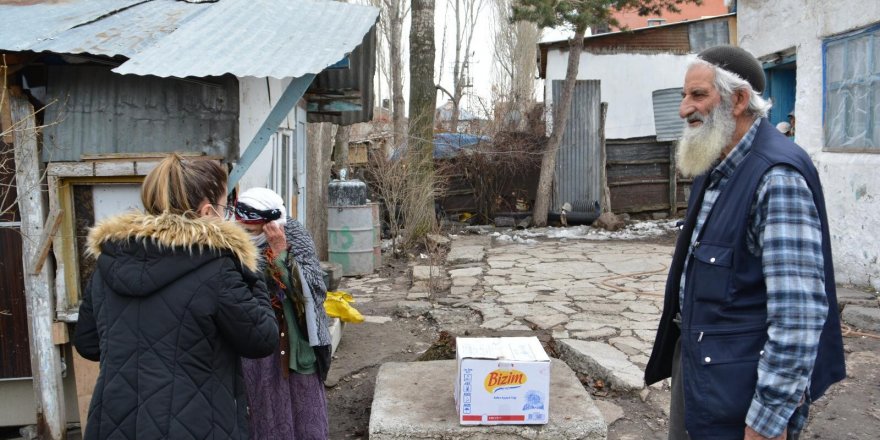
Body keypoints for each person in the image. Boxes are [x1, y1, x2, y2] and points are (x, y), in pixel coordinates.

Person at [645, 45, 845, 440]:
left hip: (742, 387)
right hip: (706, 367)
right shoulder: (717, 162)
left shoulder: (777, 179)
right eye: (685, 95)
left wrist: (767, 421)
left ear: (738, 100)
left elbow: (798, 317)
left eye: (698, 95)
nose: (685, 108)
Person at [74, 154, 279, 439]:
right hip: (198, 425)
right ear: (208, 212)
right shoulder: (218, 268)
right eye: (225, 205)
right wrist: (251, 269)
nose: (228, 213)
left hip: (115, 423)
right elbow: (261, 339)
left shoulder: (110, 261)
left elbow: (87, 344)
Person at [234, 187, 332, 439]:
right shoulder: (231, 242)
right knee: (263, 411)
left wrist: (280, 255)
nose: (244, 232)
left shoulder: (295, 235)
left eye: (251, 228)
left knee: (304, 415)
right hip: (257, 344)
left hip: (296, 343)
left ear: (269, 224)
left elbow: (314, 291)